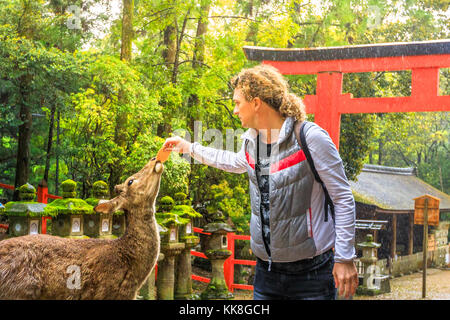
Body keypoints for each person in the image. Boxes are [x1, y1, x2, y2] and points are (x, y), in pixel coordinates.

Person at [163, 64, 358, 300]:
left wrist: (344, 257)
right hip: (266, 273)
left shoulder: (310, 138)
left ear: (256, 103)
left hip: (312, 273)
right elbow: (233, 162)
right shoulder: (251, 143)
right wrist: (189, 148)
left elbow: (343, 197)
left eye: (237, 102)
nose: (234, 110)